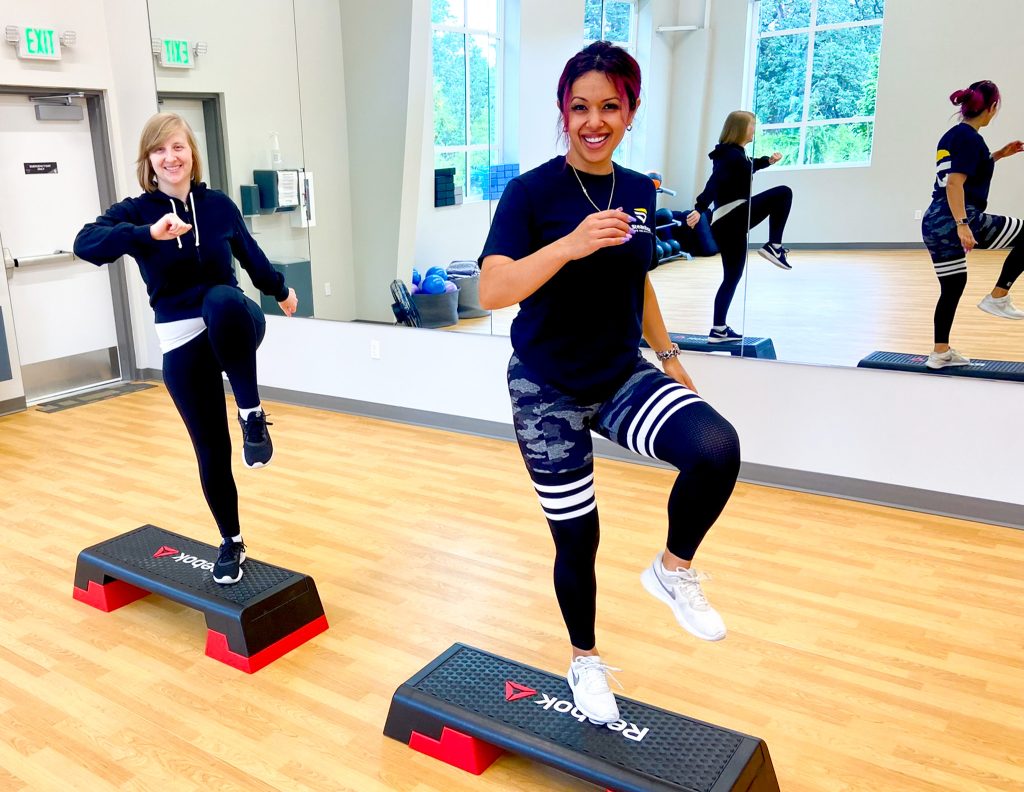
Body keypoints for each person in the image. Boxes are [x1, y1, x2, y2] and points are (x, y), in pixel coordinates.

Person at [479, 42, 740, 727]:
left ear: (630, 111)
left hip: (621, 372)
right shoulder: (530, 192)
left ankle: (672, 569)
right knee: (579, 540)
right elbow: (492, 287)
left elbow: (637, 277)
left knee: (715, 448)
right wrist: (568, 243)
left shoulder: (640, 188)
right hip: (546, 388)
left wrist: (669, 352)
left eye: (609, 108)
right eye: (580, 108)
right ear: (563, 113)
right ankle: (585, 659)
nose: (593, 122)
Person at [74, 113, 298, 585]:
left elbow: (251, 256)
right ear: (149, 160)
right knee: (211, 451)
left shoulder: (217, 205)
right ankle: (232, 542)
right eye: (160, 150)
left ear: (191, 153)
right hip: (182, 341)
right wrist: (145, 234)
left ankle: (252, 413)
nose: (170, 157)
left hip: (234, 322)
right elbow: (86, 244)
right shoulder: (136, 211)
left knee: (220, 297)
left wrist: (279, 290)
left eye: (178, 147)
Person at [921, 80, 1024, 370]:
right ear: (991, 108)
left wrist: (999, 155)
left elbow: (966, 170)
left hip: (933, 222)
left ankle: (940, 352)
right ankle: (998, 296)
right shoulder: (970, 138)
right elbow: (955, 184)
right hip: (959, 216)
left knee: (952, 286)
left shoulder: (953, 135)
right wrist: (963, 224)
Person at [686, 110, 792, 344]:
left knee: (732, 277)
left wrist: (767, 161)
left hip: (731, 222)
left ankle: (718, 329)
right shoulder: (729, 155)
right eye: (752, 125)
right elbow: (714, 182)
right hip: (732, 216)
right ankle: (775, 246)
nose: (755, 129)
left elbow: (748, 167)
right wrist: (699, 207)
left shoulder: (738, 156)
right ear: (741, 128)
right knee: (783, 193)